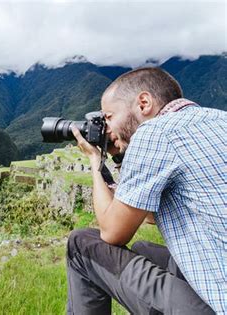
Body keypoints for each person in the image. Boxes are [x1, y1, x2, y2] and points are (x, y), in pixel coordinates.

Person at [67, 67, 226, 314]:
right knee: (143, 250)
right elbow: (151, 215)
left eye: (108, 117)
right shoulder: (219, 119)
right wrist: (120, 159)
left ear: (143, 103)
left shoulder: (154, 132)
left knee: (80, 243)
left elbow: (112, 233)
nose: (106, 128)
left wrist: (94, 160)